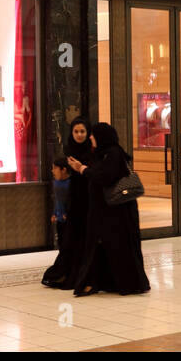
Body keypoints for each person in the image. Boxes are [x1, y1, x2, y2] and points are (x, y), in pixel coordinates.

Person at [66, 122, 150, 296]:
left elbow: (105, 177)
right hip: (105, 211)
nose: (90, 137)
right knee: (103, 246)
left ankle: (128, 283)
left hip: (117, 212)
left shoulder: (113, 154)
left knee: (119, 246)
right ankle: (105, 281)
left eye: (93, 134)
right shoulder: (101, 154)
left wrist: (82, 169)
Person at [41, 119, 93, 289]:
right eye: (76, 131)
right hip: (73, 201)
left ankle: (85, 275)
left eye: (82, 132)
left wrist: (81, 168)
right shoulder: (68, 151)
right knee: (71, 239)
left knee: (85, 239)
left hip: (89, 200)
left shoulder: (92, 152)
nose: (79, 135)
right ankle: (66, 273)